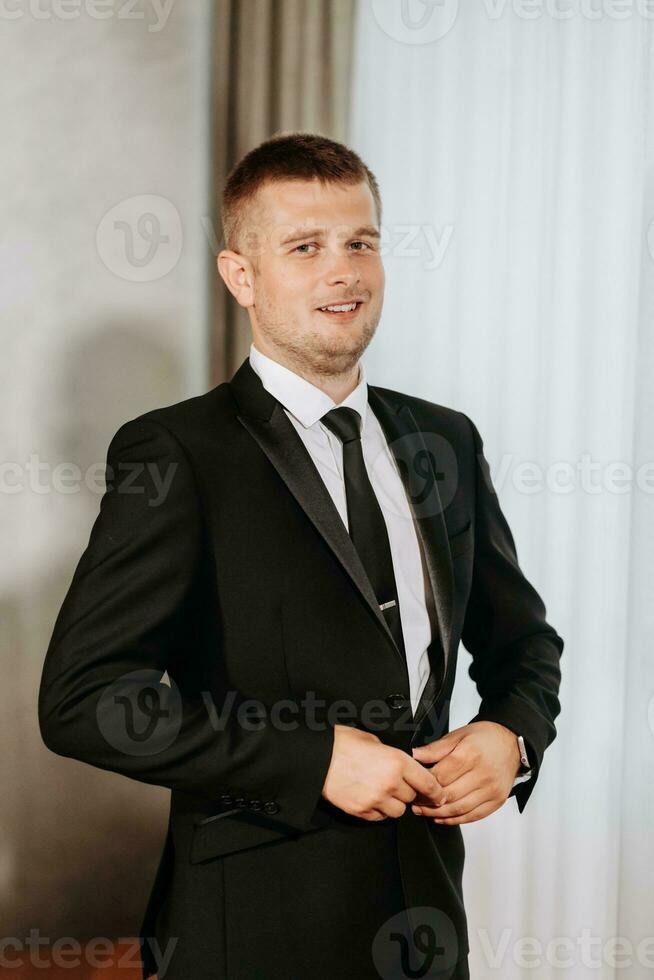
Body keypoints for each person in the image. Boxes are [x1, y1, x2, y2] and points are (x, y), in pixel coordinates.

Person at [38, 132, 563, 980]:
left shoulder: (445, 440)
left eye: (361, 242)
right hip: (250, 930)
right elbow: (82, 700)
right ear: (241, 276)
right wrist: (312, 757)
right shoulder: (176, 452)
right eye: (305, 247)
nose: (344, 271)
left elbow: (525, 645)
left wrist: (514, 735)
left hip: (424, 917)